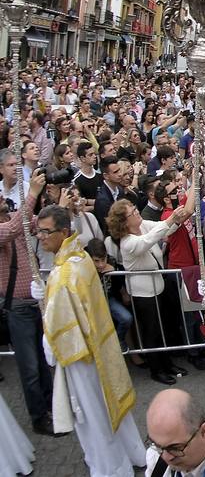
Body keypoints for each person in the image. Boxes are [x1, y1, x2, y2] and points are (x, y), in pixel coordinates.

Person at [35, 204, 145, 476]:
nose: (40, 237)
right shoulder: (80, 258)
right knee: (110, 407)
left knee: (93, 416)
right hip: (99, 347)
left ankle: (110, 467)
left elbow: (61, 326)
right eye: (37, 232)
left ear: (63, 232)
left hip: (81, 357)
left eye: (45, 232)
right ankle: (132, 453)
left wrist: (45, 302)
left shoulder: (63, 275)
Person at [106, 194, 194, 386]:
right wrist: (170, 219)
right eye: (133, 213)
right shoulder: (127, 242)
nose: (137, 213)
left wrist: (174, 220)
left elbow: (161, 229)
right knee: (151, 332)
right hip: (142, 293)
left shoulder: (143, 225)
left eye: (136, 210)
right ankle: (157, 369)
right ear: (124, 221)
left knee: (163, 327)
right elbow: (148, 240)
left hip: (157, 287)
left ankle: (168, 363)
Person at [0, 174, 53, 436]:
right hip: (17, 308)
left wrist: (58, 205)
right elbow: (12, 230)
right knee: (30, 366)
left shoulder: (12, 220)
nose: (2, 198)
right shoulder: (5, 228)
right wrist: (32, 191)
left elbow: (34, 224)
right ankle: (38, 416)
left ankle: (53, 407)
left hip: (35, 301)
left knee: (43, 360)